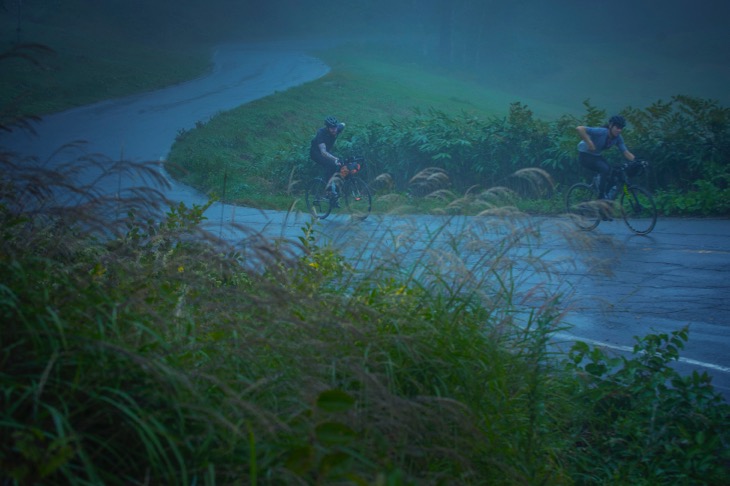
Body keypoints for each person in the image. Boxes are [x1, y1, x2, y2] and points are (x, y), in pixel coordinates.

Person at [576, 115, 637, 199]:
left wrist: (636, 161)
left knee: (613, 172)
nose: (619, 130)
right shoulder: (601, 132)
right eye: (617, 127)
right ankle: (601, 197)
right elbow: (580, 128)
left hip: (596, 156)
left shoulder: (618, 138)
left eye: (621, 128)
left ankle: (606, 194)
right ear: (611, 125)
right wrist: (589, 142)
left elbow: (625, 152)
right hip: (585, 155)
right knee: (604, 169)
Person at [310, 115, 346, 198]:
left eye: (335, 127)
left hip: (327, 151)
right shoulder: (321, 133)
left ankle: (335, 187)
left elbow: (343, 124)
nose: (334, 130)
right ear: (327, 128)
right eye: (332, 128)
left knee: (340, 163)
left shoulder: (337, 128)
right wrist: (335, 158)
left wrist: (341, 124)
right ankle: (328, 191)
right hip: (316, 153)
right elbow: (323, 152)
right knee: (330, 165)